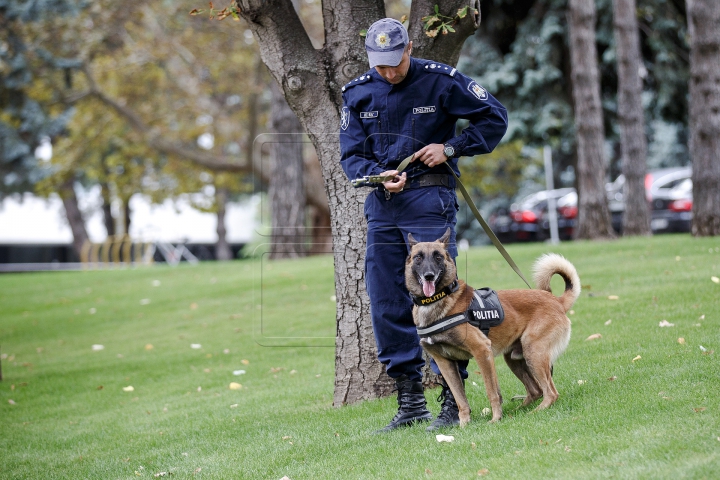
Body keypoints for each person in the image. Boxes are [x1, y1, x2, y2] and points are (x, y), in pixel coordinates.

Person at [339, 18, 508, 432]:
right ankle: (411, 401)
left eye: (395, 63)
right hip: (384, 205)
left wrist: (451, 146)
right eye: (380, 65)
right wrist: (378, 176)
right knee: (386, 300)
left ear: (410, 48)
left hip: (430, 201)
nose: (389, 72)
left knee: (445, 297)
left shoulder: (441, 81)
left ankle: (454, 401)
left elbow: (495, 117)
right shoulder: (358, 92)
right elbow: (351, 156)